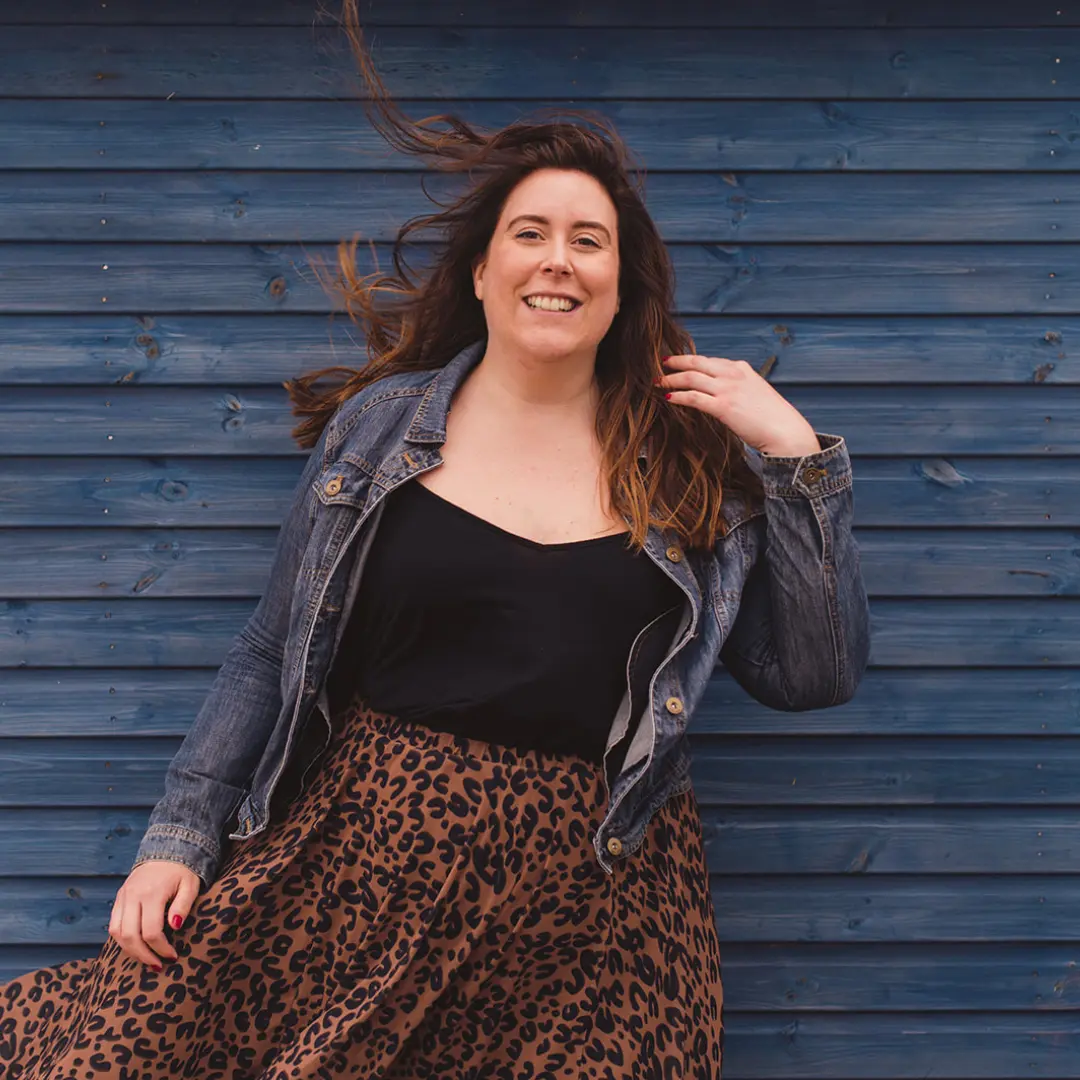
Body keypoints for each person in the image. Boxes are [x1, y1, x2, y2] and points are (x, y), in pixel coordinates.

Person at [0, 5, 870, 1077]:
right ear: (481, 269)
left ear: (622, 283)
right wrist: (178, 838)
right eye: (531, 233)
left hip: (591, 912)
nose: (559, 261)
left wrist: (797, 463)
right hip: (363, 864)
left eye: (589, 241)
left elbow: (813, 673)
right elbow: (273, 649)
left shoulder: (686, 463)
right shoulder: (383, 429)